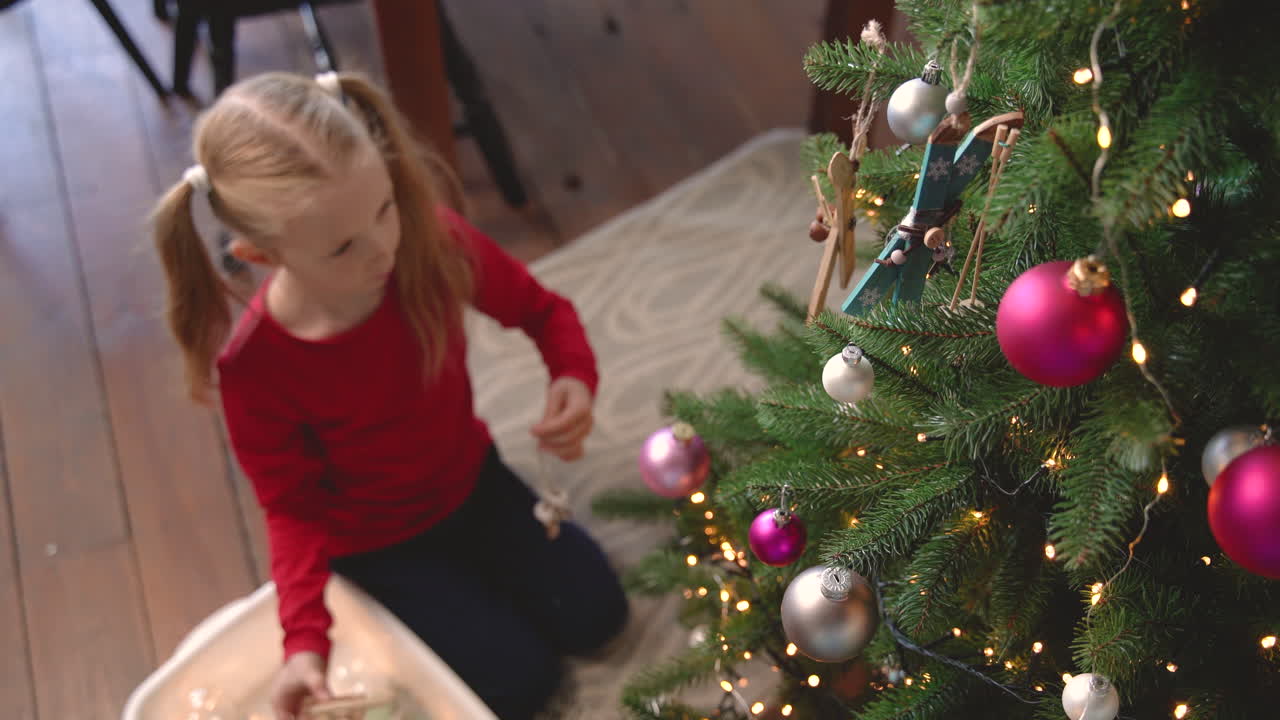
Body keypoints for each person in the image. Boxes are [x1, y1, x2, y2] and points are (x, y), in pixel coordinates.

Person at [149, 70, 629, 720]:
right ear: (260, 253)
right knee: (522, 685)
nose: (383, 249)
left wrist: (572, 376)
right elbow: (290, 510)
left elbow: (542, 311)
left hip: (473, 482)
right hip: (378, 547)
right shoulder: (256, 370)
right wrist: (305, 644)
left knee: (598, 614)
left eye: (385, 209)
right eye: (343, 246)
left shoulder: (431, 244)